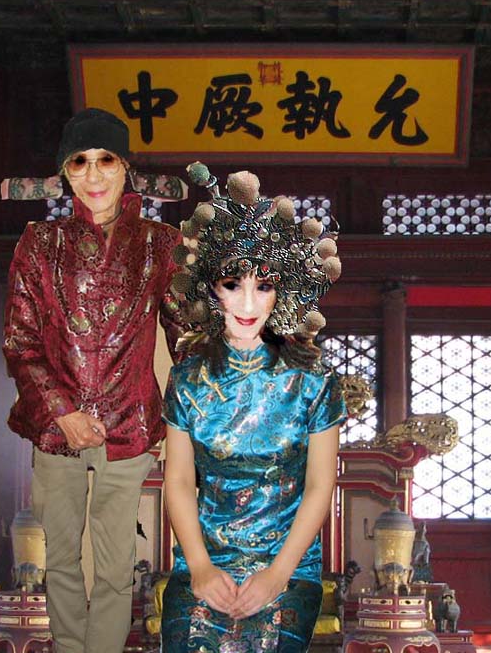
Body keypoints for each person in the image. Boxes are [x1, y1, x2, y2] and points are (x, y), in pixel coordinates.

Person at [2, 107, 183, 653]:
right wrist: (62, 412)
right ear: (65, 173)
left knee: (115, 568)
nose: (94, 174)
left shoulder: (161, 243)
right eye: (80, 162)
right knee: (59, 560)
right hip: (55, 428)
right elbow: (20, 342)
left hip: (128, 426)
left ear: (125, 168)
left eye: (106, 160)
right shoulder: (39, 242)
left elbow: (186, 336)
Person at [160, 165, 347, 652]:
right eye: (232, 284)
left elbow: (320, 485)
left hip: (288, 566)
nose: (247, 303)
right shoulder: (187, 379)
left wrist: (277, 574)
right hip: (205, 561)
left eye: (263, 287)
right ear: (210, 289)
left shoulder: (313, 381)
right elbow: (177, 481)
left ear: (282, 292)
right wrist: (200, 567)